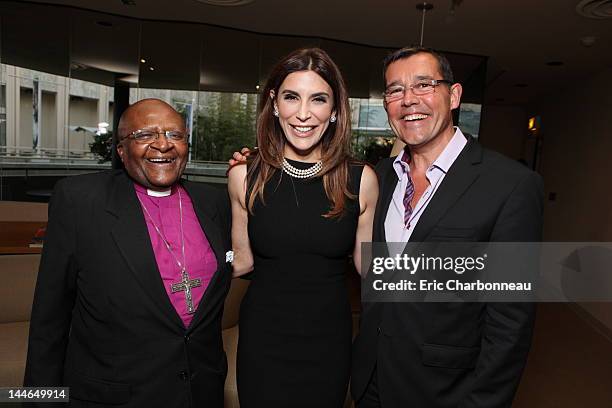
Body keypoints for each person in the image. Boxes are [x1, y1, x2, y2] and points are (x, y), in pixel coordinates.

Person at [351, 47, 544, 407]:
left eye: (424, 84)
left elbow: (510, 323)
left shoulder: (512, 185)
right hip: (371, 380)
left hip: (445, 391)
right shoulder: (378, 179)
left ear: (454, 96)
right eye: (395, 90)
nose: (409, 100)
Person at [24, 99, 232, 407]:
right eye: (145, 135)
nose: (163, 144)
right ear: (121, 151)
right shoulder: (81, 201)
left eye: (175, 135)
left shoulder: (213, 203)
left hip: (200, 391)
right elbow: (49, 318)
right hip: (114, 395)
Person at [227, 48, 378, 407]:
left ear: (336, 110)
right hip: (263, 339)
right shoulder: (243, 177)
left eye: (319, 99)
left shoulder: (360, 180)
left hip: (329, 341)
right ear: (274, 103)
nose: (304, 113)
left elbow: (369, 267)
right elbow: (240, 260)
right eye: (292, 97)